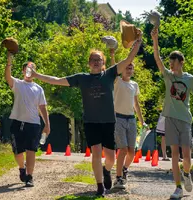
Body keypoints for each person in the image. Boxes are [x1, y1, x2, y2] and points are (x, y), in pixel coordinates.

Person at [30, 30, 143, 196]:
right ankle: (99, 187)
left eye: (99, 60)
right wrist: (36, 75)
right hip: (91, 122)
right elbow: (56, 80)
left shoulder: (110, 74)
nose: (96, 62)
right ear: (89, 63)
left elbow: (128, 60)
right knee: (96, 153)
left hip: (108, 122)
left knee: (110, 157)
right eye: (93, 60)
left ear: (103, 62)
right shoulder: (81, 78)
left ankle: (106, 171)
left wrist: (138, 41)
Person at [151, 28, 193, 199]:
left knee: (187, 157)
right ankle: (178, 188)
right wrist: (155, 40)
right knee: (175, 154)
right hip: (170, 119)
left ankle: (187, 174)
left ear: (181, 62)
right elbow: (157, 60)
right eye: (170, 63)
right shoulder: (168, 76)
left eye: (173, 63)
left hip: (185, 120)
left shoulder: (189, 79)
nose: (170, 65)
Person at [5, 51, 50, 187]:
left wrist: (47, 124)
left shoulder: (38, 89)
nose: (30, 70)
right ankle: (21, 168)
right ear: (23, 71)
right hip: (17, 122)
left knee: (31, 150)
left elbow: (42, 108)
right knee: (18, 151)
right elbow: (7, 77)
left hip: (34, 124)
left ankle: (30, 176)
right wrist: (9, 61)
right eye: (28, 68)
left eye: (32, 68)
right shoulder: (17, 84)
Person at [109, 48, 147, 189]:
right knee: (123, 150)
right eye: (127, 67)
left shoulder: (134, 85)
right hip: (118, 118)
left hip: (131, 119)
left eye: (131, 68)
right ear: (122, 69)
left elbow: (136, 104)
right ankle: (118, 178)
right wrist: (112, 55)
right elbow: (113, 69)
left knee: (132, 151)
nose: (129, 70)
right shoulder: (117, 81)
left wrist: (142, 121)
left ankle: (124, 169)